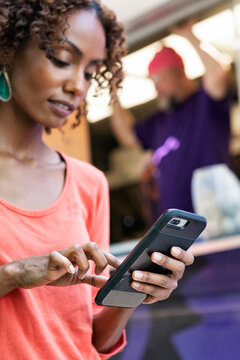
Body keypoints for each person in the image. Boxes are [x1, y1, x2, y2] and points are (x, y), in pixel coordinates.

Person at [0, 1, 194, 359]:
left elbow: (94, 340)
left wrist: (134, 289)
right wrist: (14, 274)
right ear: (8, 49)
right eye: (61, 57)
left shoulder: (89, 184)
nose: (78, 85)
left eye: (91, 72)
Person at [110, 19, 232, 224]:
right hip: (176, 233)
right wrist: (113, 91)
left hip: (216, 225)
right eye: (152, 81)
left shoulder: (204, 104)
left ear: (179, 73)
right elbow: (127, 137)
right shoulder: (160, 121)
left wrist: (189, 35)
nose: (156, 88)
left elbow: (219, 72)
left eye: (159, 79)